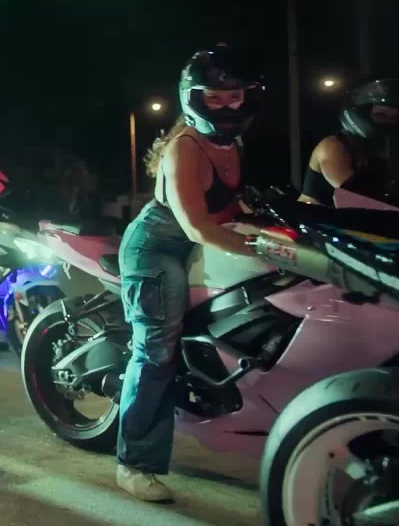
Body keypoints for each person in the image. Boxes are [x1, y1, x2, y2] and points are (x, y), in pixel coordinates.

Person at [115, 46, 262, 502]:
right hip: (156, 250)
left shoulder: (231, 144)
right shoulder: (186, 148)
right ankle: (133, 463)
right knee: (157, 351)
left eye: (234, 96)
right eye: (214, 98)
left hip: (199, 245)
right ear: (193, 98)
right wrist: (264, 248)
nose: (227, 106)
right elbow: (197, 225)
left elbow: (229, 207)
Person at [301, 78, 399, 207]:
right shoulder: (333, 146)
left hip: (361, 219)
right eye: (381, 114)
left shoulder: (383, 151)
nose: (388, 121)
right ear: (362, 113)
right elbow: (358, 197)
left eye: (394, 117)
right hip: (314, 218)